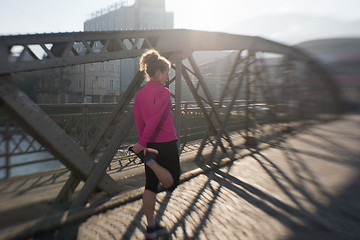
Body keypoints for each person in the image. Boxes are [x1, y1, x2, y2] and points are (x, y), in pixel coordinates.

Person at [131, 49, 180, 239]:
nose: (168, 78)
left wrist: (144, 143)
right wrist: (144, 143)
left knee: (150, 186)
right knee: (172, 182)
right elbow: (156, 119)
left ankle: (151, 228)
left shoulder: (140, 95)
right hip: (166, 142)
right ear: (158, 72)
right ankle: (151, 162)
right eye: (167, 73)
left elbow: (140, 123)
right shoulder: (163, 92)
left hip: (149, 145)